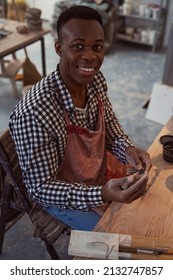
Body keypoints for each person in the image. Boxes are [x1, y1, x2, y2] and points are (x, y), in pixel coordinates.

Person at [9, 5, 151, 231]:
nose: (90, 57)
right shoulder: (35, 113)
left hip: (93, 174)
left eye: (97, 47)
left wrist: (127, 149)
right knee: (118, 239)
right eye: (78, 46)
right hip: (59, 196)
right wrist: (101, 193)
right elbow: (40, 187)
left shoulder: (94, 81)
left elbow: (110, 128)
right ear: (59, 48)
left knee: (148, 208)